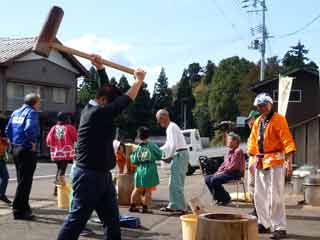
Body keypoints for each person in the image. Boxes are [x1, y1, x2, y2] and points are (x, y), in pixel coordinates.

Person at [57, 54, 146, 240]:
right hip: (89, 175)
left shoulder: (96, 107)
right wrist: (138, 81)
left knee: (112, 221)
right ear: (105, 101)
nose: (115, 107)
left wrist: (100, 69)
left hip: (101, 175)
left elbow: (106, 92)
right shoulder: (97, 113)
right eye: (111, 102)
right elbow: (123, 102)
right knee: (77, 220)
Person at [248, 93, 296, 239]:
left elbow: (287, 139)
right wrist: (251, 160)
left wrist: (289, 161)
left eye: (263, 105)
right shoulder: (257, 121)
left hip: (276, 159)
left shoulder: (279, 119)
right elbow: (253, 142)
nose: (261, 108)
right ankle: (264, 223)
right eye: (259, 106)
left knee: (275, 196)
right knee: (259, 195)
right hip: (260, 160)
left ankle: (280, 227)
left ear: (270, 105)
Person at [5, 93, 40, 220]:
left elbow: (8, 130)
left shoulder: (15, 112)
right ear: (35, 102)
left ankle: (24, 206)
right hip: (26, 149)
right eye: (39, 102)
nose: (39, 105)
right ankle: (19, 210)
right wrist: (32, 142)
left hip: (15, 148)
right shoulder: (32, 112)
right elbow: (30, 128)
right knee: (26, 181)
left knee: (22, 180)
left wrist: (12, 142)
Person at [156, 109, 189, 214]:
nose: (159, 122)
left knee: (176, 183)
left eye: (159, 119)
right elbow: (168, 145)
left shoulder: (171, 127)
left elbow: (173, 145)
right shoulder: (171, 127)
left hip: (180, 154)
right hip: (180, 154)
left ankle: (181, 208)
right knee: (174, 183)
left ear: (164, 117)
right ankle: (174, 205)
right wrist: (156, 150)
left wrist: (169, 156)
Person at [204, 132, 245, 205]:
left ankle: (226, 198)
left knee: (215, 179)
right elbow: (223, 165)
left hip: (235, 173)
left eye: (229, 140)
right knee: (207, 178)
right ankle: (218, 198)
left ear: (235, 141)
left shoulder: (238, 151)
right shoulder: (228, 152)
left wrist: (221, 173)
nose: (227, 141)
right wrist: (218, 172)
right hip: (228, 172)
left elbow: (233, 166)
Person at [129, 127, 162, 214]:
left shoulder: (138, 147)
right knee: (148, 190)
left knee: (137, 189)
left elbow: (133, 159)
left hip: (139, 169)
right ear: (148, 135)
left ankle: (132, 206)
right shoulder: (152, 145)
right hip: (149, 169)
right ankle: (145, 208)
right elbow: (159, 154)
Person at [46, 112, 78, 196]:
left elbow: (48, 140)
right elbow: (76, 138)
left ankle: (57, 189)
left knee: (60, 169)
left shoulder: (54, 128)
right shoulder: (69, 127)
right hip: (65, 153)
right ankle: (57, 190)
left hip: (56, 153)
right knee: (61, 171)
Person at [245, 110, 260, 216]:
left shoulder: (261, 132)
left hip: (258, 162)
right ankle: (256, 209)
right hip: (252, 161)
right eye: (249, 121)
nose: (249, 123)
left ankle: (259, 211)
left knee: (258, 187)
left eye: (251, 120)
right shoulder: (252, 133)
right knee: (252, 186)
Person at [0, 129, 11, 204]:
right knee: (5, 177)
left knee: (4, 177)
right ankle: (1, 194)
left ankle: (2, 194)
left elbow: (8, 147)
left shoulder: (3, 140)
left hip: (1, 160)